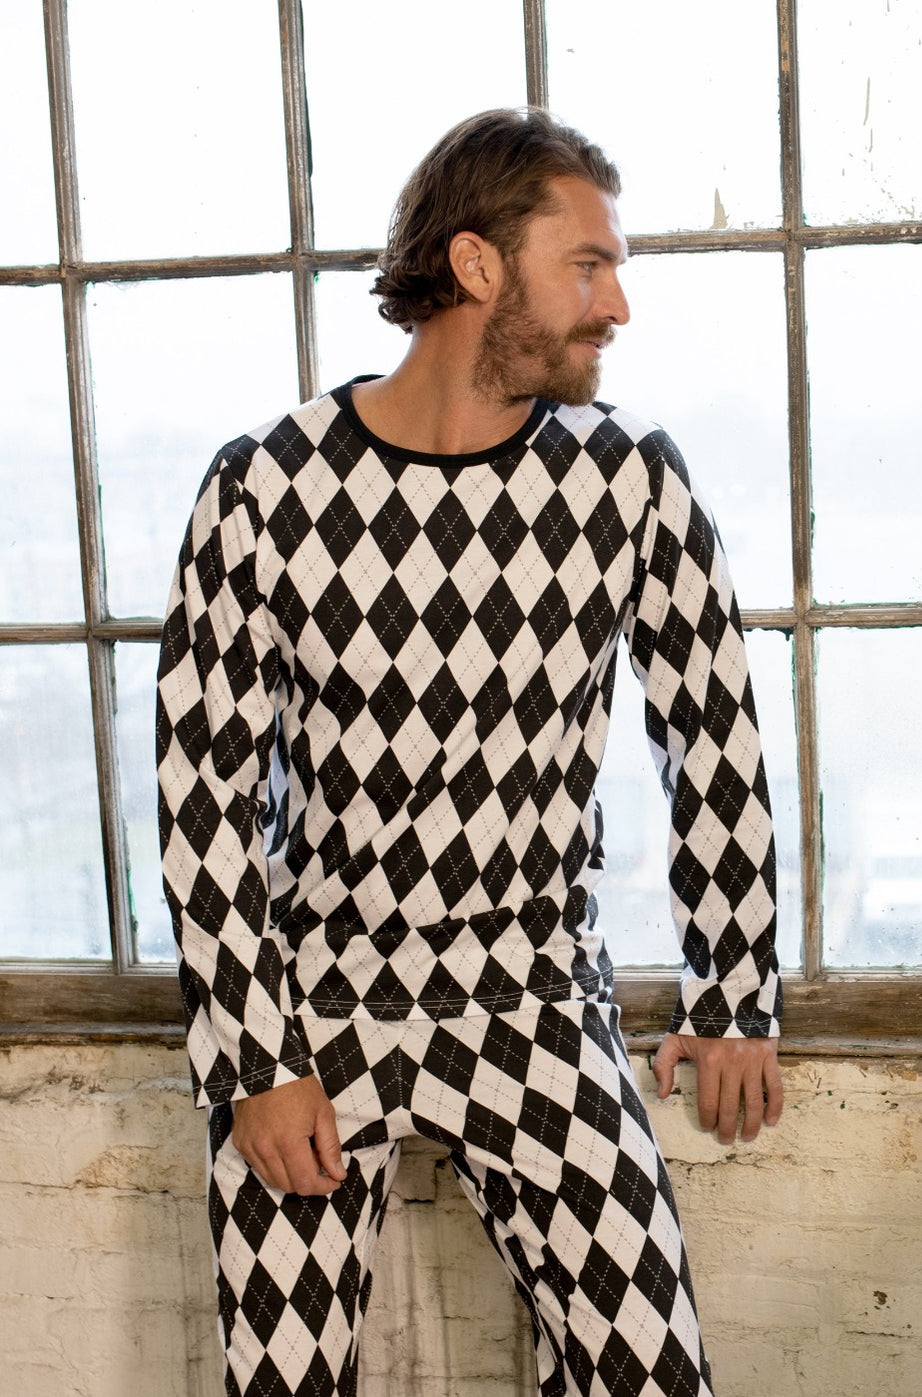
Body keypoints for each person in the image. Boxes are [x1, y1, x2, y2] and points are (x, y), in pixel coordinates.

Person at [157, 107, 782, 1397]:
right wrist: (254, 1064)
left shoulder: (630, 483)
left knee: (653, 1376)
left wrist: (732, 996)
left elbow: (712, 733)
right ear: (479, 264)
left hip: (536, 987)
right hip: (314, 1001)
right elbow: (202, 796)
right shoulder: (265, 488)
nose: (617, 306)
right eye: (588, 265)